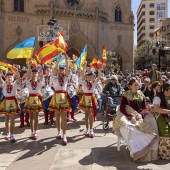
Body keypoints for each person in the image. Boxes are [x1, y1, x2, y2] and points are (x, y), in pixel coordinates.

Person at [113, 77, 159, 162]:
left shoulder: (140, 93)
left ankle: (148, 151)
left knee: (152, 123)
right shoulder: (126, 94)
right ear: (130, 86)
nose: (137, 86)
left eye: (138, 85)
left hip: (140, 115)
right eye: (135, 85)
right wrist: (130, 116)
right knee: (132, 129)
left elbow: (145, 108)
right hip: (129, 114)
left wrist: (141, 114)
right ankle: (136, 151)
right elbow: (122, 109)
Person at [49, 54, 70, 145]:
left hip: (64, 97)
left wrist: (66, 59)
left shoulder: (65, 78)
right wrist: (58, 60)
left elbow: (68, 70)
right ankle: (58, 132)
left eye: (62, 70)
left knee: (64, 117)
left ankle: (64, 135)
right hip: (56, 97)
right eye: (59, 70)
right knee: (57, 116)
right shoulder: (54, 78)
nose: (61, 72)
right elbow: (54, 71)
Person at [79, 62, 102, 137]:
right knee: (86, 114)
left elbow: (98, 78)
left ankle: (91, 129)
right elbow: (82, 75)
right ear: (86, 78)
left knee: (91, 114)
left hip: (91, 98)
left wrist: (100, 70)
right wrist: (84, 68)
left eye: (90, 77)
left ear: (92, 78)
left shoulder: (94, 83)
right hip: (85, 98)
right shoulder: (84, 83)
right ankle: (87, 129)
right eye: (88, 77)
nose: (89, 78)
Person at [0, 69, 21, 142]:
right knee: (6, 119)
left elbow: (19, 79)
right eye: (8, 77)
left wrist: (17, 73)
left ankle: (12, 134)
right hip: (6, 102)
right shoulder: (4, 84)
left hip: (13, 102)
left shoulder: (15, 84)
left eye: (11, 77)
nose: (9, 79)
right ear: (5, 78)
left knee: (12, 120)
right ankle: (8, 133)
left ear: (13, 78)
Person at [24, 64, 44, 140]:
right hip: (30, 98)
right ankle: (32, 132)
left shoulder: (39, 81)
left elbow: (42, 75)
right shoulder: (28, 81)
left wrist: (41, 67)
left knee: (35, 116)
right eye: (33, 73)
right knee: (31, 116)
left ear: (37, 74)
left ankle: (35, 131)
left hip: (36, 98)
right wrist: (29, 66)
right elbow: (28, 74)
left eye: (35, 73)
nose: (34, 74)